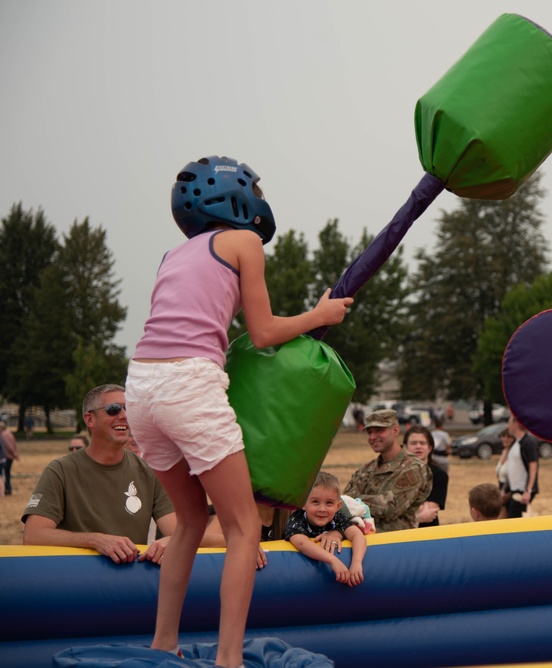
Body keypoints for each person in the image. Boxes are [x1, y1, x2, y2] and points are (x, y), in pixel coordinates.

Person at [124, 155, 352, 667]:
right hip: (189, 383)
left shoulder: (173, 254)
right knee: (243, 528)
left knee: (186, 521)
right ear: (238, 198)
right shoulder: (244, 242)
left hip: (140, 384)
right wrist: (321, 314)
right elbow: (265, 331)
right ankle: (229, 660)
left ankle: (163, 645)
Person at [22, 385, 176, 564]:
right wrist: (95, 540)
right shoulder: (60, 470)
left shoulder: (149, 472)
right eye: (113, 409)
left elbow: (178, 531)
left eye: (129, 409)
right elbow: (33, 535)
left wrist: (169, 541)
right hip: (79, 580)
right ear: (90, 419)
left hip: (131, 582)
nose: (124, 416)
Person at [345, 409, 432, 532]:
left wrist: (355, 502)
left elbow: (390, 507)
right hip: (362, 541)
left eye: (379, 430)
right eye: (369, 432)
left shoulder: (414, 468)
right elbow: (343, 504)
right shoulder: (366, 469)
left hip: (395, 544)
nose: (372, 437)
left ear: (395, 430)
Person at [283, 472, 366, 587]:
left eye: (329, 503)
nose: (322, 509)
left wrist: (356, 563)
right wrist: (333, 560)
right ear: (303, 503)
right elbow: (302, 543)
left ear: (338, 506)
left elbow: (357, 535)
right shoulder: (297, 519)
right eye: (315, 502)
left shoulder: (338, 518)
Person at [403, 424, 448, 527]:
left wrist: (406, 507)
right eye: (413, 443)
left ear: (430, 447)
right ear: (405, 447)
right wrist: (419, 514)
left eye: (422, 443)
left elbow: (430, 512)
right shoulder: (396, 474)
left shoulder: (439, 476)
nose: (418, 446)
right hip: (402, 534)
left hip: (428, 533)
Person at [503, 415, 540, 519]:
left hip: (522, 490)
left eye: (510, 423)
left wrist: (528, 490)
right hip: (514, 490)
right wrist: (505, 489)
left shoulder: (528, 442)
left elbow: (533, 466)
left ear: (516, 424)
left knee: (514, 520)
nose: (508, 426)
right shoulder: (516, 443)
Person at [1, 419, 20, 495]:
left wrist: (14, 454)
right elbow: (15, 444)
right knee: (7, 473)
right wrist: (16, 453)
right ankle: (8, 488)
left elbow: (8, 446)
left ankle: (7, 488)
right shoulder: (9, 433)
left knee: (4, 473)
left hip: (7, 456)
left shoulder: (3, 435)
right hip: (11, 456)